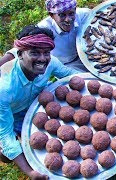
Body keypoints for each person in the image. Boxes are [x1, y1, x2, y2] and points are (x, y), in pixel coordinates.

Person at [0, 25, 78, 179]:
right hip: (13, 114)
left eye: (46, 53)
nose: (42, 59)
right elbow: (5, 133)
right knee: (5, 153)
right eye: (34, 53)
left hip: (39, 102)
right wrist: (30, 172)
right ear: (20, 54)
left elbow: (71, 74)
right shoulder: (5, 88)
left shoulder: (51, 62)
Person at [0, 0, 90, 72]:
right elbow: (21, 48)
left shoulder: (84, 15)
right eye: (62, 15)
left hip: (89, 55)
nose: (68, 19)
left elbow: (101, 15)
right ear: (52, 15)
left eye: (71, 13)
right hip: (67, 65)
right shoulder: (45, 29)